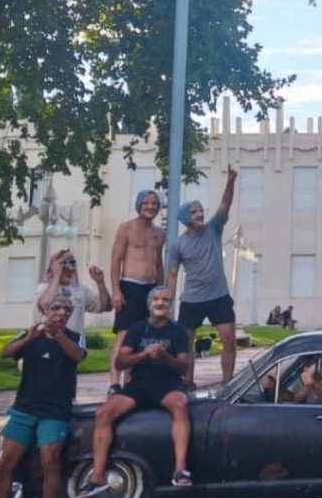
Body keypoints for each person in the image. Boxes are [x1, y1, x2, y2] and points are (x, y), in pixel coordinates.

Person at [0, 294, 87, 498]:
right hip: (24, 409)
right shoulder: (30, 334)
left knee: (50, 460)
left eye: (65, 309)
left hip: (55, 411)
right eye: (55, 308)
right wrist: (30, 336)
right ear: (45, 309)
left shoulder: (74, 337)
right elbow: (4, 352)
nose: (60, 312)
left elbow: (78, 356)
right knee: (4, 463)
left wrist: (57, 334)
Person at [79, 287, 192, 496]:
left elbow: (183, 367)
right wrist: (143, 355)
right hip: (139, 384)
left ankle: (180, 469)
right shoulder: (137, 329)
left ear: (170, 305)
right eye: (156, 299)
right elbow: (120, 362)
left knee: (180, 405)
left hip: (168, 384)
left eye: (165, 300)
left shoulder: (178, 331)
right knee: (103, 413)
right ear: (150, 304)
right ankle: (98, 475)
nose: (160, 303)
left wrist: (165, 357)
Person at [166, 165, 238, 386]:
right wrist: (168, 302)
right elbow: (172, 275)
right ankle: (187, 381)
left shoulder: (213, 228)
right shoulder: (178, 244)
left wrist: (230, 182)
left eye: (200, 210)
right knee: (186, 343)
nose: (200, 214)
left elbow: (225, 205)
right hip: (192, 299)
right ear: (185, 217)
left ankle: (227, 381)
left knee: (229, 339)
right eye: (194, 211)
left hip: (218, 296)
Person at [107, 189, 165, 395]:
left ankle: (129, 383)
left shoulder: (159, 233)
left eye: (154, 204)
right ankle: (114, 384)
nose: (150, 207)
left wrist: (161, 291)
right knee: (124, 335)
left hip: (150, 289)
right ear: (139, 204)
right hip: (130, 286)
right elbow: (116, 261)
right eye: (146, 203)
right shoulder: (126, 229)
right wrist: (115, 290)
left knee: (140, 338)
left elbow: (159, 265)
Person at [34, 248, 110, 334]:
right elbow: (43, 306)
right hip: (49, 343)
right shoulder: (44, 288)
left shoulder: (81, 290)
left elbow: (105, 306)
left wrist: (100, 283)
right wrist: (56, 276)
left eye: (73, 263)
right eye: (65, 264)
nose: (71, 269)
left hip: (73, 344)